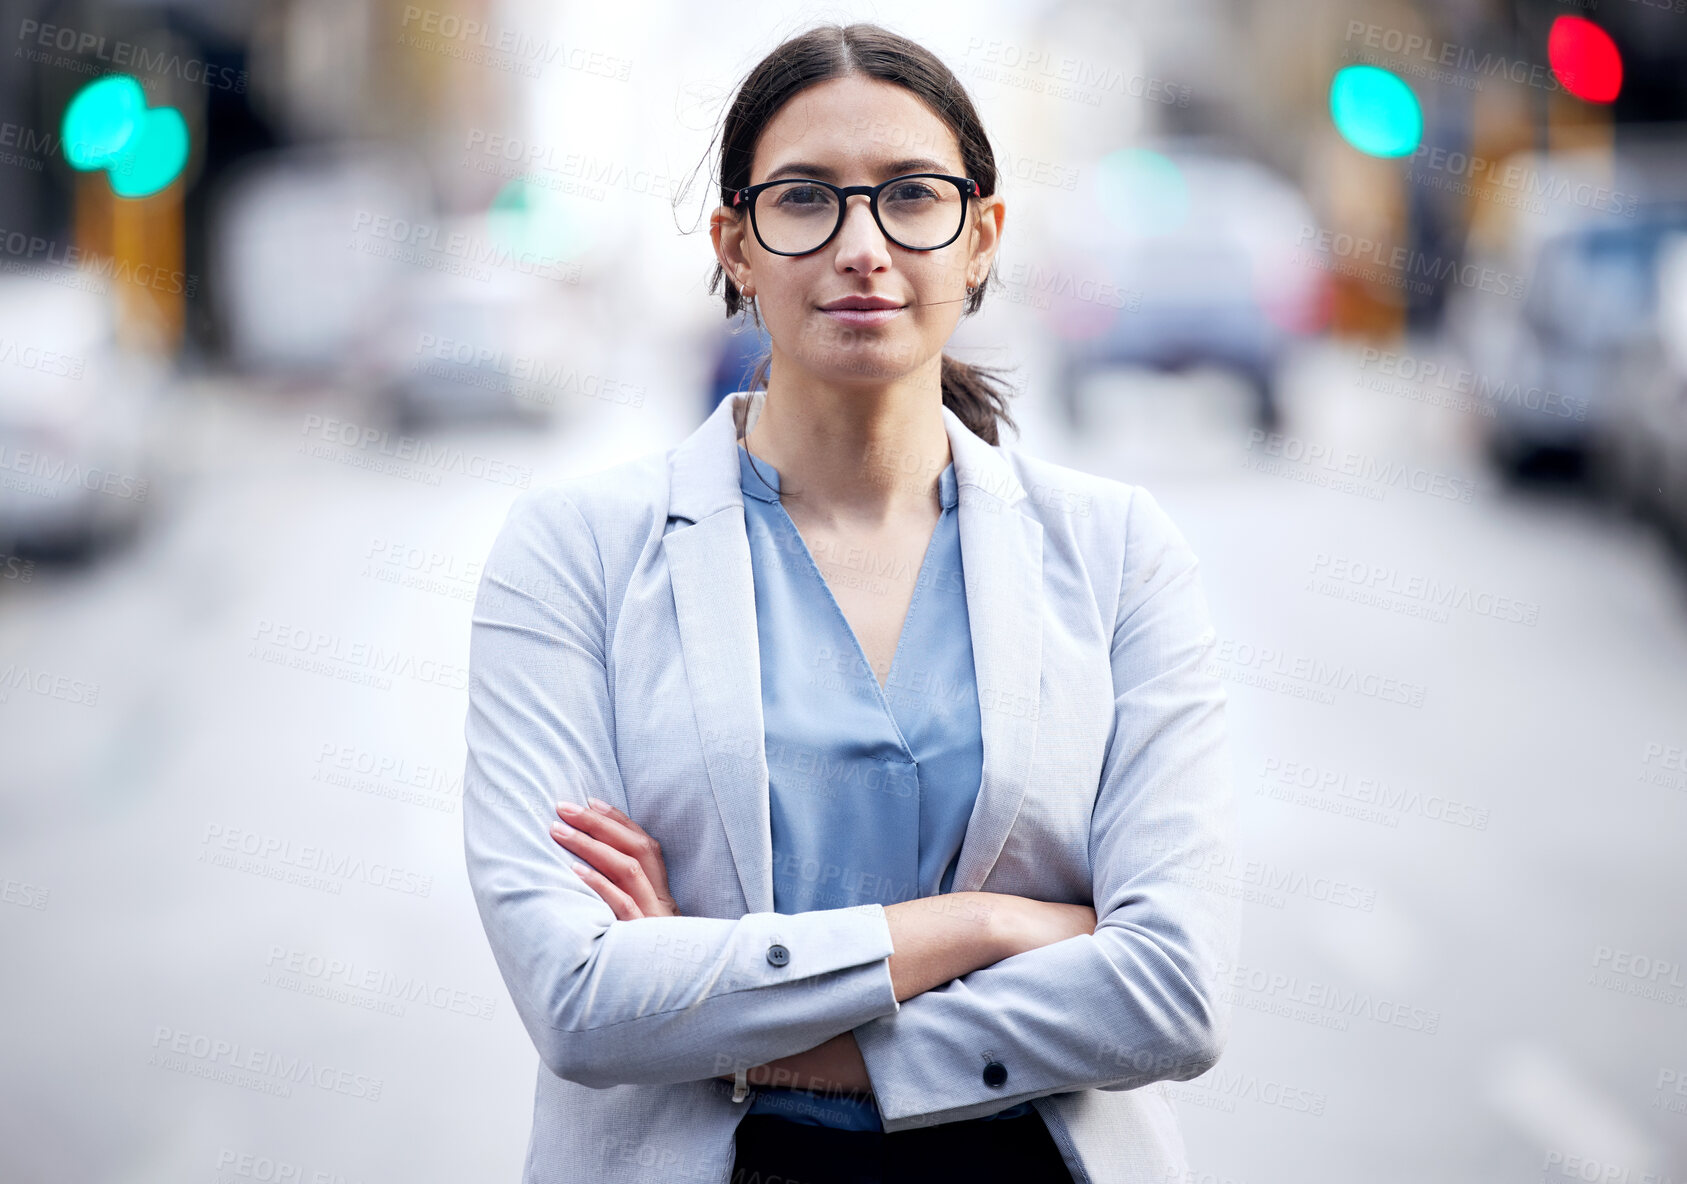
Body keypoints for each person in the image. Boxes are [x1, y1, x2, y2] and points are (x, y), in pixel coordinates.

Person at [462, 22, 1238, 1184]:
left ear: (980, 238)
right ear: (735, 244)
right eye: (805, 200)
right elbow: (581, 1000)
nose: (862, 245)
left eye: (912, 197)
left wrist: (744, 1020)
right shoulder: (572, 554)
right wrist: (983, 926)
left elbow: (1172, 990)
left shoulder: (1118, 552)